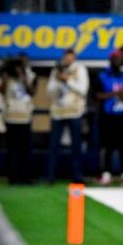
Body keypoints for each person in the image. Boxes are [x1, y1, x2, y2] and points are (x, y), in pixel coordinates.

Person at [95, 49, 123, 186]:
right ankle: (106, 172)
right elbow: (96, 95)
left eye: (119, 58)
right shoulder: (103, 75)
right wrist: (113, 94)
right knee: (107, 146)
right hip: (108, 115)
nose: (117, 61)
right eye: (114, 59)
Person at [46, 49, 88, 184]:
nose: (68, 59)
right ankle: (50, 176)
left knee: (76, 146)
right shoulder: (55, 71)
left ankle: (77, 176)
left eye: (71, 57)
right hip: (58, 113)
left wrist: (67, 80)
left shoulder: (80, 70)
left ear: (74, 58)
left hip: (75, 112)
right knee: (53, 146)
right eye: (66, 57)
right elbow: (50, 92)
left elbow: (83, 90)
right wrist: (58, 80)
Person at [0, 55, 36, 185]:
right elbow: (1, 90)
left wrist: (23, 77)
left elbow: (31, 91)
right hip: (11, 117)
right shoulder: (8, 77)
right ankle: (13, 177)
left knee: (25, 150)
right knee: (12, 150)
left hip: (25, 117)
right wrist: (6, 77)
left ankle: (25, 177)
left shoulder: (30, 76)